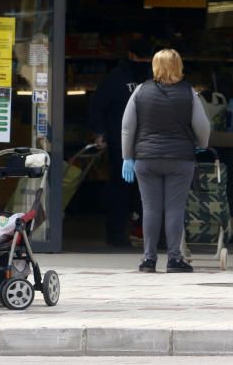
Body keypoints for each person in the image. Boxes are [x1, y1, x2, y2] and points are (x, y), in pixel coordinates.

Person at [121, 48, 210, 273]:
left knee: (150, 208)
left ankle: (148, 260)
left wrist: (127, 157)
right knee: (175, 210)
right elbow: (202, 126)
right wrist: (202, 144)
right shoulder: (189, 92)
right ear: (178, 66)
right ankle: (174, 259)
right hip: (180, 159)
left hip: (146, 159)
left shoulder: (140, 91)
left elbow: (127, 127)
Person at [88, 38, 153, 248]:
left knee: (124, 192)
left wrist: (100, 133)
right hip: (140, 145)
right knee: (143, 193)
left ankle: (122, 236)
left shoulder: (117, 77)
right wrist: (100, 132)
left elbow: (97, 106)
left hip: (125, 144)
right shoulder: (153, 78)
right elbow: (98, 107)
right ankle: (141, 238)